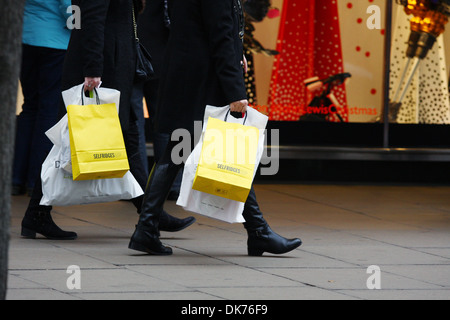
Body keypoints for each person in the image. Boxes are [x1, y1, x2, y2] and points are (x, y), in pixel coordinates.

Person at [128, 0, 302, 256]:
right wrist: (235, 90)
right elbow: (219, 35)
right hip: (204, 81)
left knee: (179, 153)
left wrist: (235, 52)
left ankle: (147, 229)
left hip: (188, 75)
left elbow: (206, 29)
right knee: (225, 155)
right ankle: (258, 232)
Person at [20, 0, 195, 241]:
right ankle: (37, 213)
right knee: (69, 143)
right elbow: (90, 18)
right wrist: (93, 69)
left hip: (112, 62)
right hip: (103, 67)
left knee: (128, 135)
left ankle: (150, 213)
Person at [12, 0, 72, 197]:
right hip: (56, 42)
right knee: (48, 109)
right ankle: (36, 180)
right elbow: (69, 9)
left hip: (26, 36)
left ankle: (15, 178)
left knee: (29, 106)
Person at [130, 0, 183, 200]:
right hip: (162, 54)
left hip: (132, 53)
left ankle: (139, 185)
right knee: (165, 124)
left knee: (135, 125)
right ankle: (169, 184)